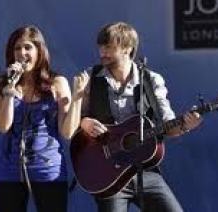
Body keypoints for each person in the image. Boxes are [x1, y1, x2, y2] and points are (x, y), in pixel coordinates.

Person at [68, 22, 202, 212]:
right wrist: (85, 122)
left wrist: (186, 125)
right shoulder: (91, 77)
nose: (102, 51)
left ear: (127, 49)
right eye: (101, 46)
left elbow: (168, 126)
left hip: (145, 171)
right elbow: (72, 124)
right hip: (108, 172)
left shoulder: (151, 79)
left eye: (108, 46)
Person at [0, 25, 77, 212]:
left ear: (40, 50)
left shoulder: (57, 82)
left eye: (28, 47)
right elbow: (2, 126)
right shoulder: (2, 83)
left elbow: (67, 131)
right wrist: (9, 90)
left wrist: (77, 98)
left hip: (48, 169)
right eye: (17, 48)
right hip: (10, 171)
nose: (22, 53)